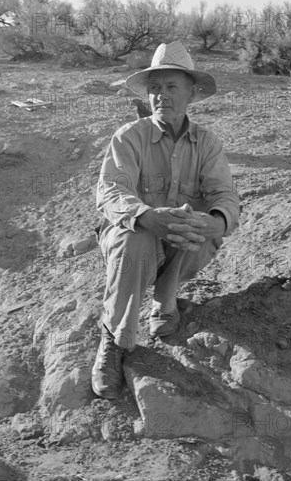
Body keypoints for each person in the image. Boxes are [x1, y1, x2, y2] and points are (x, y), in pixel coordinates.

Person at [92, 41, 239, 399]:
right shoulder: (129, 137)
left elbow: (225, 195)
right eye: (155, 88)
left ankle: (166, 299)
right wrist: (144, 216)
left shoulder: (207, 143)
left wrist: (218, 221)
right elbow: (111, 191)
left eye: (171, 87)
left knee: (199, 228)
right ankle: (114, 337)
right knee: (136, 236)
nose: (161, 96)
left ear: (190, 93)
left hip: (179, 241)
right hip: (132, 235)